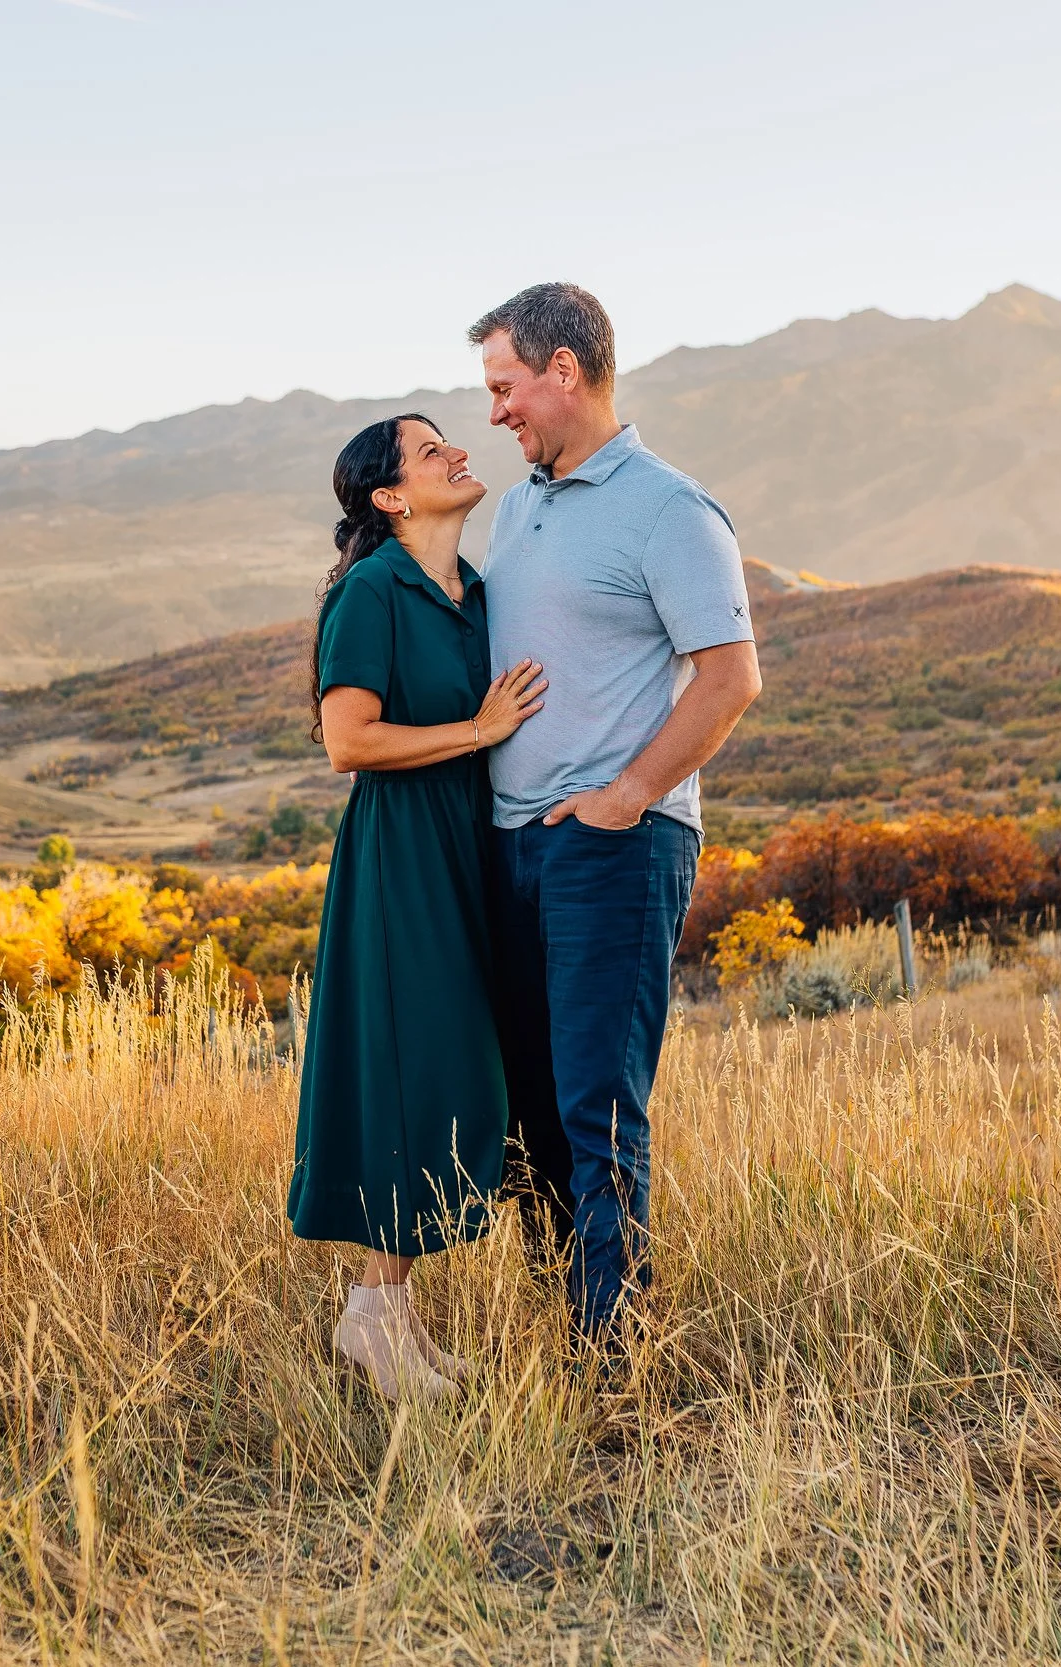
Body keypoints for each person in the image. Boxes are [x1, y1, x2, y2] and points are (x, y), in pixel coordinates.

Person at [471, 283, 762, 1341]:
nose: (495, 411)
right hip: (511, 848)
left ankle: (615, 1367)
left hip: (612, 849)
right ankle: (563, 1331)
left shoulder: (669, 508)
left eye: (504, 387)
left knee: (596, 1109)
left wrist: (627, 797)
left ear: (563, 372)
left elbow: (729, 677)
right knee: (531, 1116)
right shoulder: (517, 507)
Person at [288, 412, 548, 1403]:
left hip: (468, 847)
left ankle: (384, 1313)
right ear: (390, 498)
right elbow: (347, 743)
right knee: (412, 1068)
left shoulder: (474, 590)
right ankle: (372, 1316)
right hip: (402, 857)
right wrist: (475, 728)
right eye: (428, 450)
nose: (454, 453)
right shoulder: (372, 590)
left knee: (445, 1075)